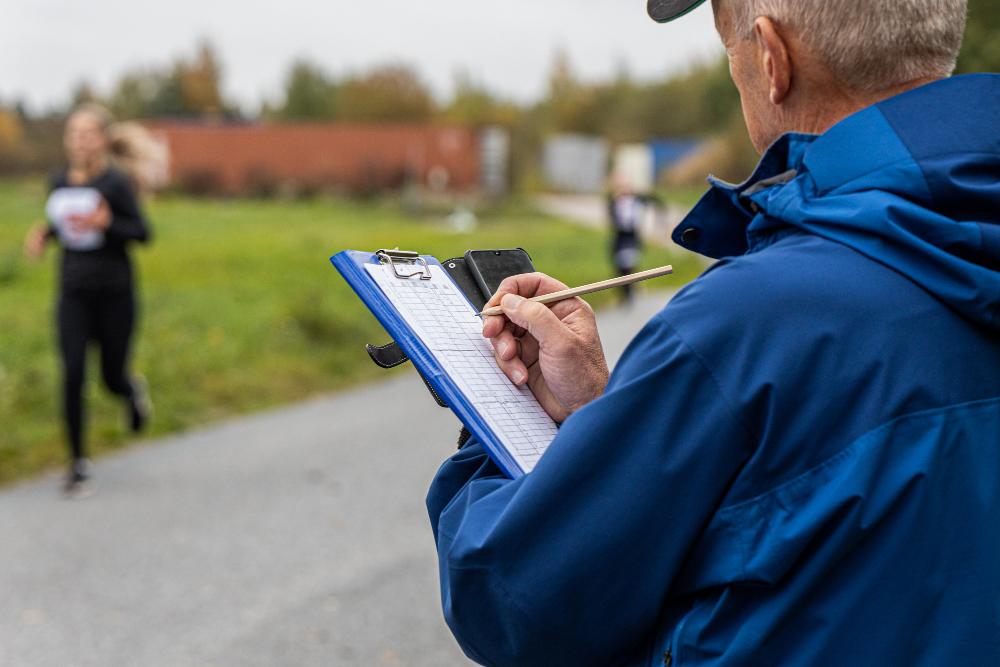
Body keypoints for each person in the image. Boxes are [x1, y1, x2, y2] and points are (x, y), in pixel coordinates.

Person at [427, 1, 1000, 665]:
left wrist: (493, 403)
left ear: (770, 58)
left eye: (727, 46)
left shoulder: (747, 325)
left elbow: (512, 597)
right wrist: (605, 416)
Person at [24, 104, 156, 497]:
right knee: (73, 372)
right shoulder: (58, 181)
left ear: (102, 140)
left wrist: (109, 224)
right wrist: (45, 235)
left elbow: (143, 233)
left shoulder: (115, 184)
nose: (80, 140)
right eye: (74, 132)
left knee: (110, 377)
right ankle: (78, 463)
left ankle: (131, 391)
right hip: (73, 293)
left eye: (88, 133)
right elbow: (65, 225)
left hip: (114, 295)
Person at [607, 175, 660, 303]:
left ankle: (630, 292)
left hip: (632, 237)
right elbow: (614, 221)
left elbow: (654, 202)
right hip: (620, 238)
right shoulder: (613, 201)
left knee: (630, 264)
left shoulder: (638, 200)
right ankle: (625, 293)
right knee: (620, 266)